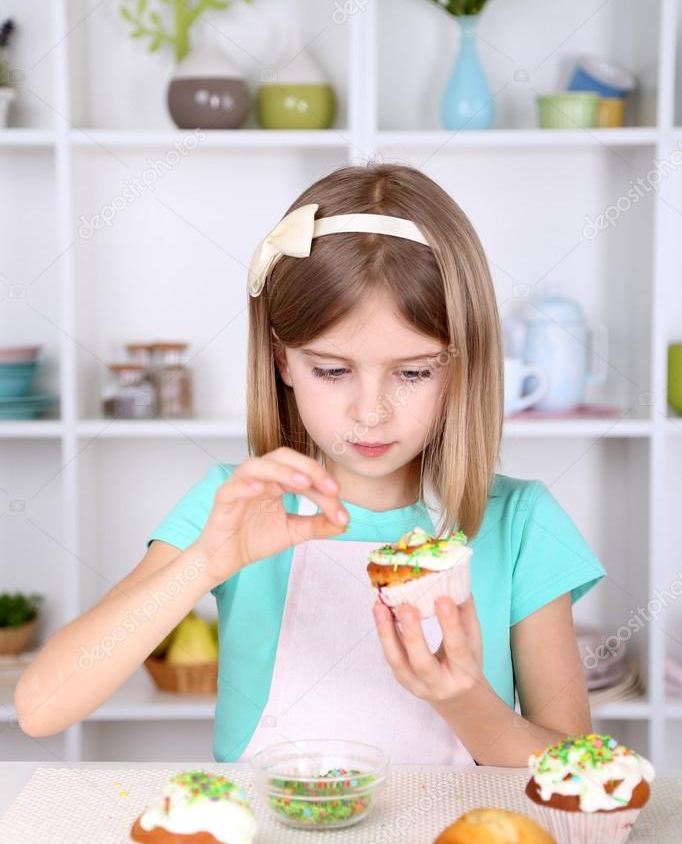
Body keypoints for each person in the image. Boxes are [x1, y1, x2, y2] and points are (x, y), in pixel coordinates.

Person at [16, 162, 606, 767]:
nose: (371, 412)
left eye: (413, 372)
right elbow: (42, 708)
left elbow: (579, 776)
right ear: (281, 361)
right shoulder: (236, 508)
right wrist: (205, 563)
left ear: (461, 368)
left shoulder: (521, 524)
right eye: (332, 370)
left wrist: (465, 700)